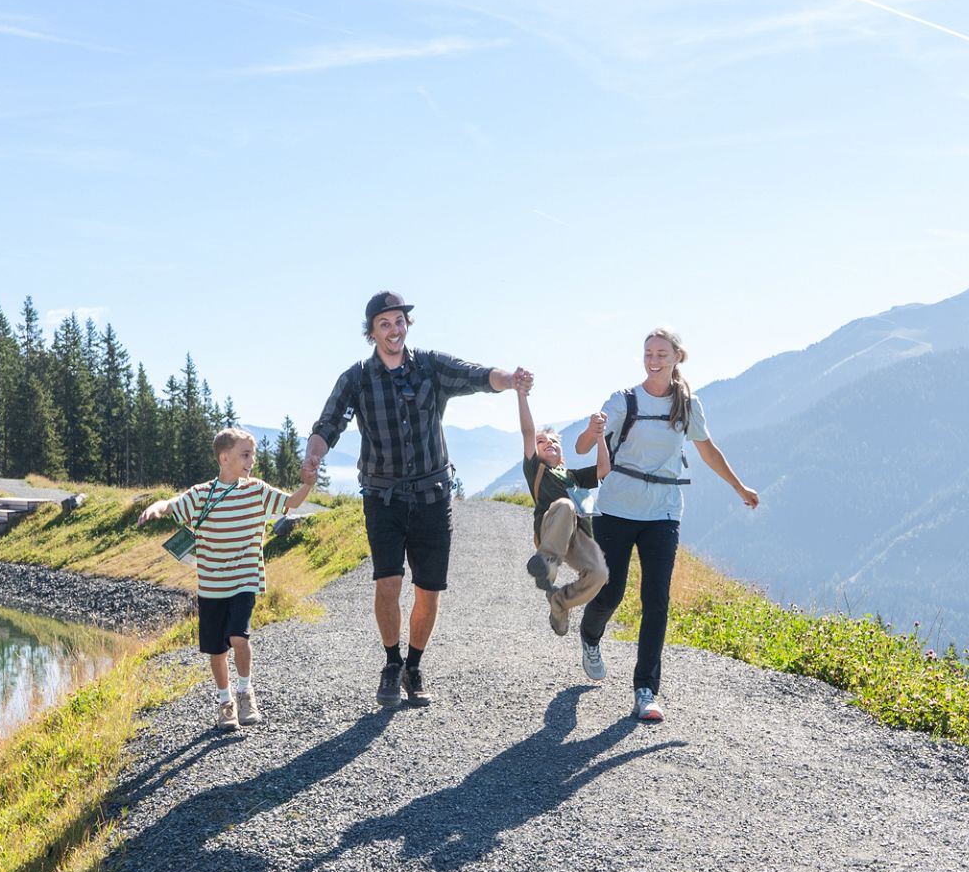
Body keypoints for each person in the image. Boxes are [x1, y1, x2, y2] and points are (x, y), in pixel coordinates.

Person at [303, 290, 532, 708]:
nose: (395, 330)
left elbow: (478, 376)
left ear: (408, 325)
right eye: (385, 324)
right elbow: (328, 423)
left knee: (428, 592)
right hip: (382, 498)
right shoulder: (356, 378)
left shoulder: (429, 366)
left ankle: (414, 665)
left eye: (400, 322)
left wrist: (510, 378)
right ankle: (391, 663)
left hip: (432, 497)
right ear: (371, 332)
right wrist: (314, 453)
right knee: (388, 583)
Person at [572, 327, 758, 723]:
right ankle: (590, 634)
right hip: (617, 508)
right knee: (611, 592)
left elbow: (708, 450)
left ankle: (645, 690)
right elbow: (584, 448)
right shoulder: (623, 400)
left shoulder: (687, 405)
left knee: (656, 600)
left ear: (677, 357)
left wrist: (739, 487)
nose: (653, 359)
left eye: (661, 352)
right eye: (648, 352)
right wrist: (593, 429)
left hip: (664, 513)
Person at [140, 427, 314, 733]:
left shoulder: (257, 490)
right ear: (225, 457)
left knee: (238, 636)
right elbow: (172, 504)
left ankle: (246, 693)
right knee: (217, 650)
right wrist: (156, 507)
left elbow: (292, 503)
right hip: (211, 586)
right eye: (245, 455)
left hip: (245, 579)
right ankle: (225, 703)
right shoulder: (201, 494)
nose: (252, 460)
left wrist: (308, 484)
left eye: (253, 455)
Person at [516, 387, 610, 637]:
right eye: (541, 442)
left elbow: (603, 469)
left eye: (554, 442)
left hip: (577, 536)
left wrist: (600, 437)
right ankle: (547, 562)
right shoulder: (535, 469)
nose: (548, 444)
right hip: (549, 531)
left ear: (563, 455)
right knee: (566, 505)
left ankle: (560, 603)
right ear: (534, 452)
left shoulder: (572, 477)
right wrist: (521, 394)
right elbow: (527, 431)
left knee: (600, 574)